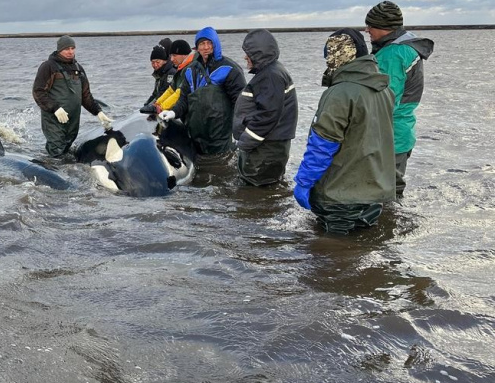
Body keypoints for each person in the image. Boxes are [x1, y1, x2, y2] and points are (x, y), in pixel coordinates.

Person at [293, 29, 396, 234]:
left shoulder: (339, 93)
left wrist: (304, 182)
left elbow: (322, 143)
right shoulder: (384, 90)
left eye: (329, 55)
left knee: (330, 256)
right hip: (375, 194)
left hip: (339, 197)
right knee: (363, 251)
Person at [365, 1, 434, 198]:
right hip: (403, 130)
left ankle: (388, 224)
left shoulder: (393, 53)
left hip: (389, 135)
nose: (367, 30)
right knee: (392, 188)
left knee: (384, 191)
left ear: (385, 27)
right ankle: (393, 221)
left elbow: (384, 99)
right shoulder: (407, 46)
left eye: (371, 25)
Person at [160, 27, 245, 156]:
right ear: (197, 48)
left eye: (209, 43)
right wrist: (173, 112)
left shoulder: (229, 69)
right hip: (195, 134)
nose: (205, 47)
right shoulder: (191, 70)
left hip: (219, 137)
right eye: (201, 44)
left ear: (215, 44)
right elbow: (184, 99)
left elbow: (241, 103)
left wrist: (240, 130)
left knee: (220, 167)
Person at [232, 29, 298, 186]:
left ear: (258, 54)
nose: (245, 57)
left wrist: (245, 142)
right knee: (266, 191)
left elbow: (268, 115)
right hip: (267, 147)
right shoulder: (271, 71)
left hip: (265, 150)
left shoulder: (271, 76)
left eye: (248, 53)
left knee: (257, 190)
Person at [32, 35, 113, 157]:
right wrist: (55, 108)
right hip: (54, 118)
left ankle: (68, 173)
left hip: (73, 119)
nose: (70, 52)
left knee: (67, 149)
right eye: (67, 49)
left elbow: (86, 95)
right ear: (59, 50)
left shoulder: (78, 68)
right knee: (56, 151)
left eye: (72, 48)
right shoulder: (48, 66)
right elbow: (38, 92)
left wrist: (98, 112)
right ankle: (52, 171)